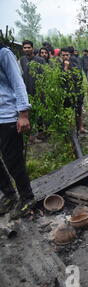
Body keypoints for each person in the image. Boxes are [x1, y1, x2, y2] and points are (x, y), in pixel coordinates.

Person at [0, 43, 35, 220]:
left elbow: (17, 82)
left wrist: (23, 113)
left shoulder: (4, 53)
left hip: (7, 116)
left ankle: (27, 198)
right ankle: (9, 194)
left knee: (13, 160)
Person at [60, 48, 84, 133]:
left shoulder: (74, 64)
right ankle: (69, 130)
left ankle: (80, 128)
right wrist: (65, 67)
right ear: (61, 56)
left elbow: (79, 77)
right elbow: (61, 79)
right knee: (67, 112)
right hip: (66, 93)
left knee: (78, 110)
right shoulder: (59, 66)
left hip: (76, 91)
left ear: (70, 55)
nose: (66, 57)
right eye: (63, 55)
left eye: (67, 55)